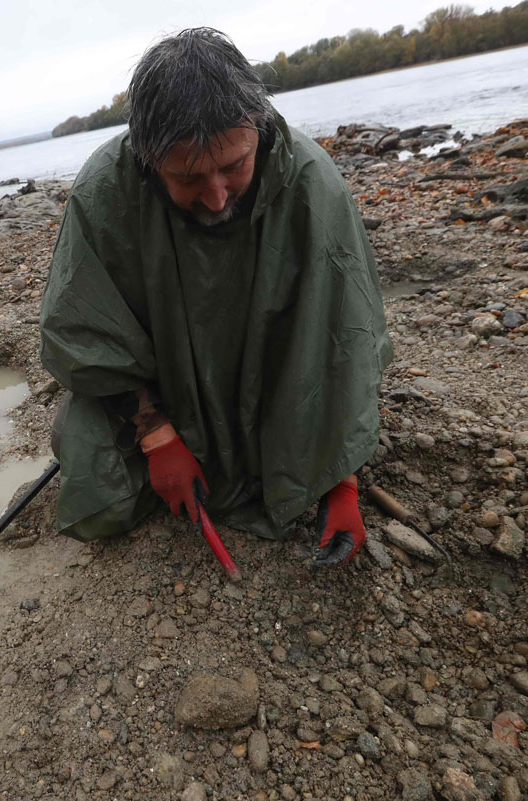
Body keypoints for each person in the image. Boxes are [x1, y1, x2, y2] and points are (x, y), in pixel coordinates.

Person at [39, 28, 393, 567]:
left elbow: (344, 338)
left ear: (258, 126)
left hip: (279, 383)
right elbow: (85, 330)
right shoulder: (104, 190)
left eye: (233, 166)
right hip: (166, 388)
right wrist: (156, 436)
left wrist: (340, 481)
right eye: (188, 176)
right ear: (146, 154)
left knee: (306, 465)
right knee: (94, 489)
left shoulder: (312, 183)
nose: (217, 195)